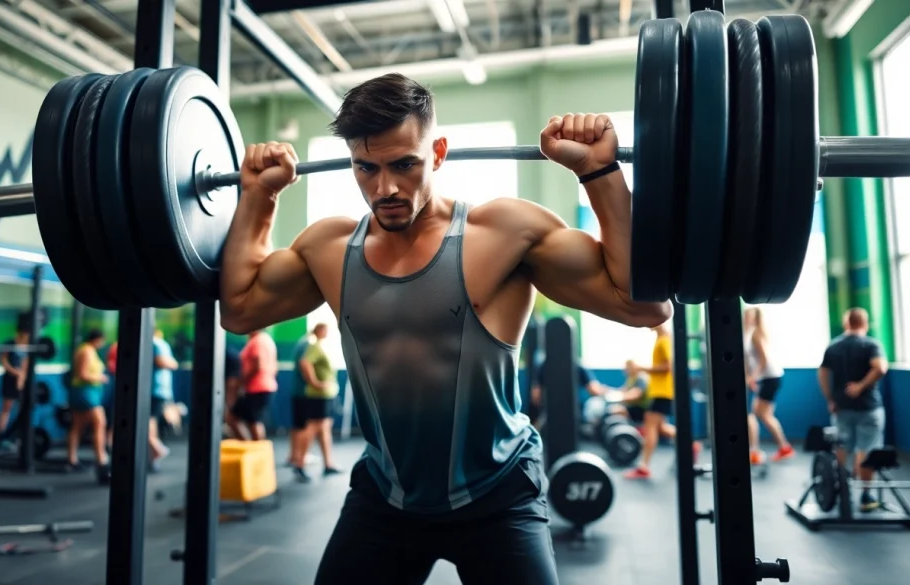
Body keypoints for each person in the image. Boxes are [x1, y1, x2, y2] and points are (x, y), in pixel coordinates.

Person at [218, 72, 671, 584]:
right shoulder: (329, 247)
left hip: (499, 497)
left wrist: (600, 172)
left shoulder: (503, 233)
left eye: (403, 164)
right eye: (365, 168)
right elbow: (239, 310)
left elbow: (646, 306)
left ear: (438, 151)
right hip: (385, 500)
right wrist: (258, 198)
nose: (384, 187)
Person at [818, 307, 889, 512]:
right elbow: (881, 367)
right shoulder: (871, 344)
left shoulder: (834, 346)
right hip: (869, 407)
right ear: (865, 324)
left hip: (842, 406)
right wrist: (860, 386)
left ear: (846, 323)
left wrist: (830, 398)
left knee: (842, 447)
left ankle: (841, 488)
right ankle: (866, 497)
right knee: (867, 450)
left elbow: (822, 374)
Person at [743, 307, 794, 464]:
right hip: (767, 378)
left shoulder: (756, 335)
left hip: (770, 377)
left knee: (756, 414)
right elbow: (749, 361)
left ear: (756, 318)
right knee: (760, 414)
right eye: (745, 315)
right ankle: (782, 447)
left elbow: (764, 360)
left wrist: (753, 377)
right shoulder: (748, 334)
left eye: (749, 315)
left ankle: (756, 451)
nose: (746, 317)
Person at [624, 322, 675, 479]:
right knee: (660, 427)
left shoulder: (664, 340)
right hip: (659, 391)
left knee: (650, 425)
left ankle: (643, 466)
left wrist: (641, 368)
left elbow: (668, 366)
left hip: (662, 391)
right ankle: (691, 443)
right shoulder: (660, 339)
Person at [294, 323, 342, 481]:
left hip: (327, 395)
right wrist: (314, 383)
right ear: (319, 330)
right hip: (318, 395)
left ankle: (328, 464)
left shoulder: (322, 346)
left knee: (324, 427)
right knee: (314, 426)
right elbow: (304, 363)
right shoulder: (314, 346)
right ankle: (299, 463)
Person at [67, 329, 110, 478]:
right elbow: (82, 374)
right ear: (97, 339)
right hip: (85, 392)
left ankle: (72, 459)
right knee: (100, 422)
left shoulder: (89, 350)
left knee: (78, 425)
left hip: (88, 391)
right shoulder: (86, 351)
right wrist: (100, 378)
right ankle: (101, 459)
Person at [229, 329, 278, 441]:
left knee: (252, 421)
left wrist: (242, 381)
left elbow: (257, 365)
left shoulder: (258, 342)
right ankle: (252, 449)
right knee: (245, 419)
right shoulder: (266, 340)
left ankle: (257, 452)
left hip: (257, 388)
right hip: (265, 386)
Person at [529, 359, 603, 431]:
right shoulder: (577, 365)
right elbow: (594, 390)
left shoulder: (544, 364)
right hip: (571, 414)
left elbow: (535, 396)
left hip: (550, 413)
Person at [0, 323, 30, 446]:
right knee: (7, 407)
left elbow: (26, 362)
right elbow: (3, 361)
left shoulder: (27, 346)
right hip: (10, 379)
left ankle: (15, 437)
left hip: (21, 380)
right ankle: (1, 437)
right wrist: (16, 373)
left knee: (22, 410)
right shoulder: (10, 344)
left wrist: (22, 377)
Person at [150, 328, 178, 471]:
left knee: (149, 421)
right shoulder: (162, 344)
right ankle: (153, 452)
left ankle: (156, 449)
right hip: (159, 389)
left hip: (154, 389)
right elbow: (172, 363)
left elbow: (162, 362)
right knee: (152, 421)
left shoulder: (156, 343)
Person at [288, 328, 314, 468]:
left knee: (297, 424)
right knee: (304, 425)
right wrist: (315, 383)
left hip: (298, 390)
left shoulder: (301, 343)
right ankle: (298, 457)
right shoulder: (308, 345)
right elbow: (304, 364)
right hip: (304, 391)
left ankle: (294, 455)